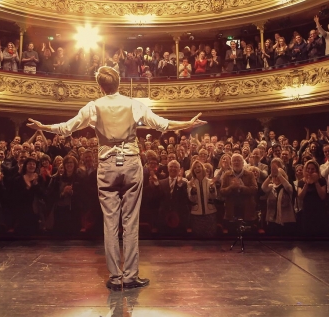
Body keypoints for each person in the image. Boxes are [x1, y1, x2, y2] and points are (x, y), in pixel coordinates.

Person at [27, 66, 205, 291]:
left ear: (100, 86)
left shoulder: (94, 106)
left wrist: (43, 127)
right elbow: (162, 124)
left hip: (107, 165)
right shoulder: (134, 104)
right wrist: (188, 124)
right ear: (119, 82)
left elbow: (66, 128)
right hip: (130, 162)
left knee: (110, 222)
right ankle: (130, 277)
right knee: (130, 221)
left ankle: (114, 277)